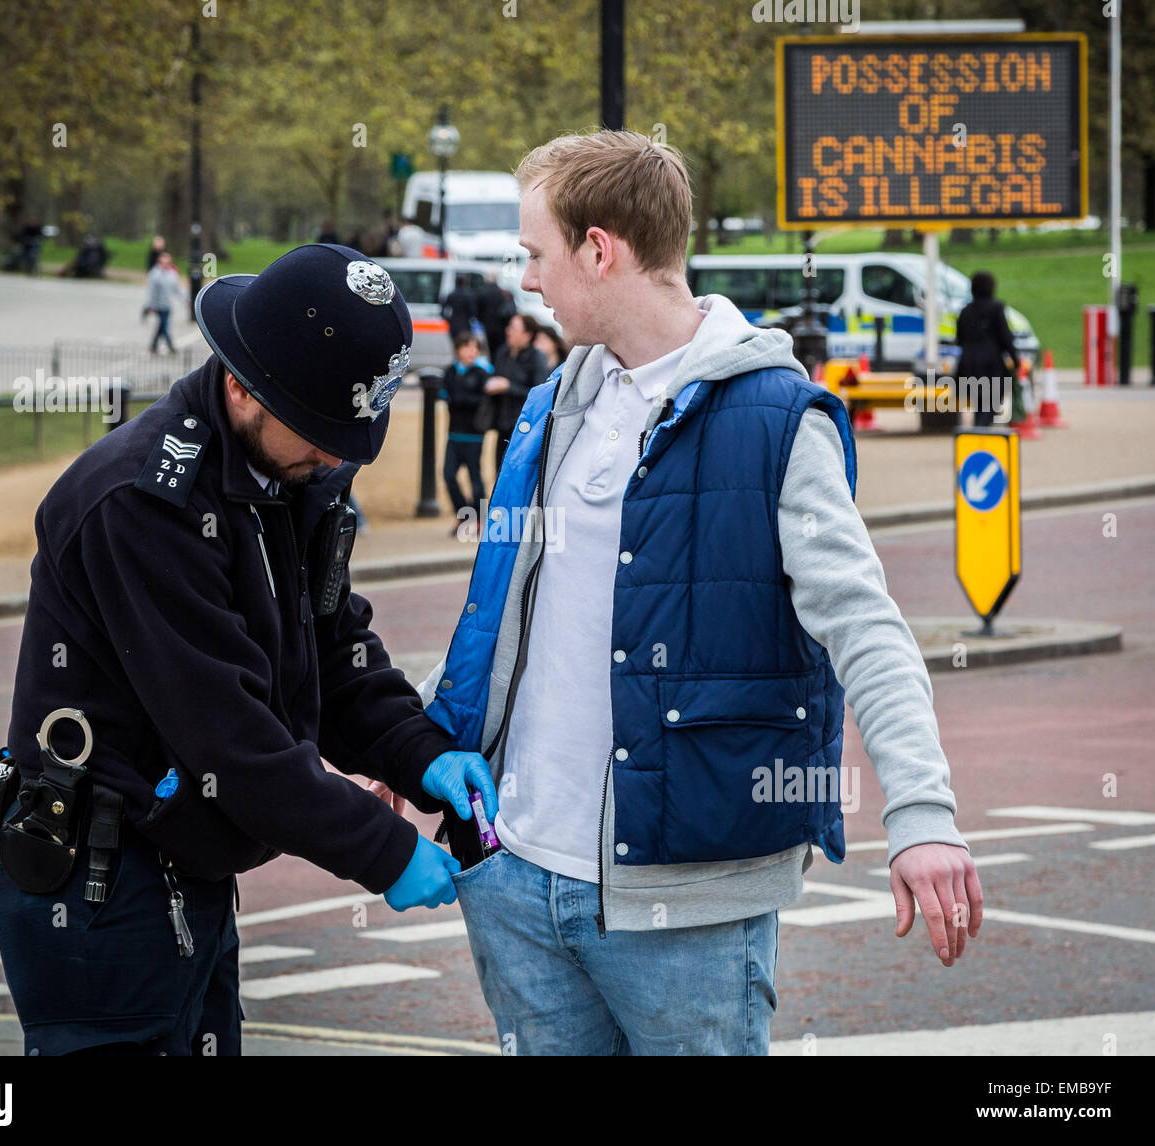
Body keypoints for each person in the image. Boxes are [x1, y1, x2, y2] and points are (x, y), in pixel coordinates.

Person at [420, 130, 982, 1056]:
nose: (526, 281)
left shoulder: (774, 419)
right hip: (513, 878)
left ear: (599, 249)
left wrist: (922, 817)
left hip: (684, 910)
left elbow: (867, 631)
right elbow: (507, 611)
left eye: (535, 255)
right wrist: (422, 743)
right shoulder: (556, 401)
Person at [0, 244, 497, 1056]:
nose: (336, 458)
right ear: (241, 386)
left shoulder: (287, 473)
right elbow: (229, 734)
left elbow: (334, 646)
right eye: (322, 434)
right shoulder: (142, 505)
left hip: (184, 864)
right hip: (99, 885)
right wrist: (385, 851)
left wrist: (420, 754)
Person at [439, 333, 493, 536]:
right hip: (453, 434)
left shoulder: (481, 373)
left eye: (475, 348)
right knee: (448, 475)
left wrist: (459, 399)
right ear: (458, 349)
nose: (472, 352)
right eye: (467, 347)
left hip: (474, 435)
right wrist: (459, 399)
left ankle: (479, 518)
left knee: (475, 478)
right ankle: (463, 514)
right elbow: (444, 393)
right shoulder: (451, 371)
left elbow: (479, 400)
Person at [485, 312, 549, 470]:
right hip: (502, 424)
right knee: (498, 473)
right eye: (509, 327)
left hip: (524, 429)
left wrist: (508, 386)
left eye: (513, 328)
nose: (508, 331)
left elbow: (540, 395)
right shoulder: (502, 353)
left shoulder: (536, 357)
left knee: (517, 473)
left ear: (527, 335)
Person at [956, 270, 1018, 427]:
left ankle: (980, 429)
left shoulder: (965, 311)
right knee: (991, 403)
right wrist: (1015, 360)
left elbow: (959, 339)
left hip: (968, 364)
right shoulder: (996, 309)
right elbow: (1005, 338)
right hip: (991, 364)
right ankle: (980, 431)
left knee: (979, 403)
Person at [145, 250, 185, 354]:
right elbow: (152, 292)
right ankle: (170, 346)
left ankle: (153, 346)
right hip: (158, 305)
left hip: (167, 305)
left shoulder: (172, 274)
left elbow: (177, 289)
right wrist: (151, 305)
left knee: (161, 326)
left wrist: (185, 298)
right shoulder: (154, 274)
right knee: (164, 326)